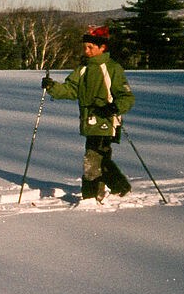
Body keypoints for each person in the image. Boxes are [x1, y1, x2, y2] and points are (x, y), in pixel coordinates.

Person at [42, 25, 134, 203]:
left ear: (102, 47)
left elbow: (127, 97)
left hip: (106, 122)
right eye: (85, 46)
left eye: (91, 47)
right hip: (88, 122)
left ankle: (91, 197)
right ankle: (118, 187)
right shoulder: (83, 69)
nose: (86, 50)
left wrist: (114, 107)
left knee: (93, 159)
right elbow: (70, 90)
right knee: (101, 160)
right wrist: (52, 87)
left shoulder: (112, 68)